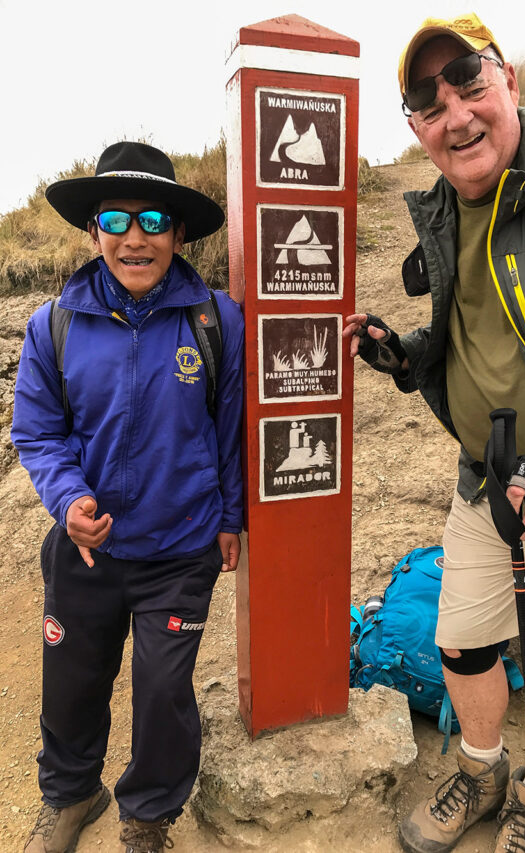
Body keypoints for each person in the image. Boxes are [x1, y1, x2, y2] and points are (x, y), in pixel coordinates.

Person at [343, 12, 525, 853]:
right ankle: (483, 768)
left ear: (509, 80)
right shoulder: (445, 208)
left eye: (468, 81)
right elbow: (472, 328)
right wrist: (406, 357)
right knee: (465, 640)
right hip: (488, 478)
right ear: (416, 128)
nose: (455, 111)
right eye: (427, 101)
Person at [12, 141, 244, 853]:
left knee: (164, 693)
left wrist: (231, 517)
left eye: (153, 219)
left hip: (181, 548)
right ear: (93, 233)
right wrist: (69, 500)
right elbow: (38, 432)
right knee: (73, 682)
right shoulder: (52, 325)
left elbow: (230, 429)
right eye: (116, 218)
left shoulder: (216, 321)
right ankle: (73, 790)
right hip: (87, 553)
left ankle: (147, 814)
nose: (135, 236)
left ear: (178, 234)